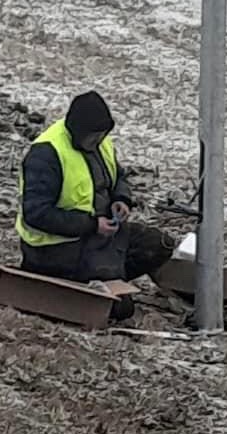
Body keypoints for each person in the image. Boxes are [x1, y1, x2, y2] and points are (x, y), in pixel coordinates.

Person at [16, 91, 175, 312]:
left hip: (100, 236)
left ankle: (103, 276)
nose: (98, 141)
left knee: (160, 244)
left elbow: (118, 175)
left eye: (101, 136)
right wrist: (92, 224)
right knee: (120, 309)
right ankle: (79, 281)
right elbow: (36, 215)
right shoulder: (46, 154)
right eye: (93, 137)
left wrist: (121, 199)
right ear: (76, 130)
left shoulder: (101, 141)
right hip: (56, 250)